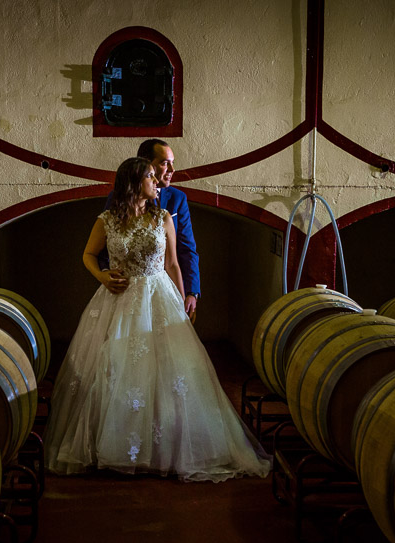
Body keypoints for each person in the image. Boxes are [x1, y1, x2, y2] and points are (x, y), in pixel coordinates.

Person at [44, 157, 270, 482]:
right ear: (134, 182)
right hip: (119, 299)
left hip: (158, 296)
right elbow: (88, 254)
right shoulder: (107, 220)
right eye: (150, 176)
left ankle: (166, 446)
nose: (157, 181)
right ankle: (117, 444)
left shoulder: (163, 216)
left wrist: (183, 302)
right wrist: (102, 276)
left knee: (169, 370)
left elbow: (173, 264)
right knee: (115, 367)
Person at [102, 139, 200, 321]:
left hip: (166, 291)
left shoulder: (177, 199)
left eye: (172, 163)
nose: (172, 170)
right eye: (165, 163)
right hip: (125, 291)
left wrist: (191, 292)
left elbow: (187, 249)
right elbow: (107, 241)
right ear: (146, 164)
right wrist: (105, 275)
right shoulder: (117, 198)